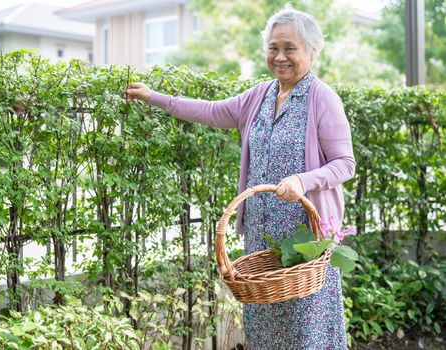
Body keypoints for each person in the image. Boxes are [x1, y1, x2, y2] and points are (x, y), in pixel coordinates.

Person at [126, 6, 355, 350]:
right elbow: (212, 111)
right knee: (263, 328)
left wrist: (303, 180)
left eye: (290, 48)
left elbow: (344, 163)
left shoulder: (323, 99)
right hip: (262, 241)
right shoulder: (259, 96)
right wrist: (154, 97)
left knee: (306, 331)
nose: (280, 57)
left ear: (311, 51)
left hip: (303, 243)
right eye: (273, 48)